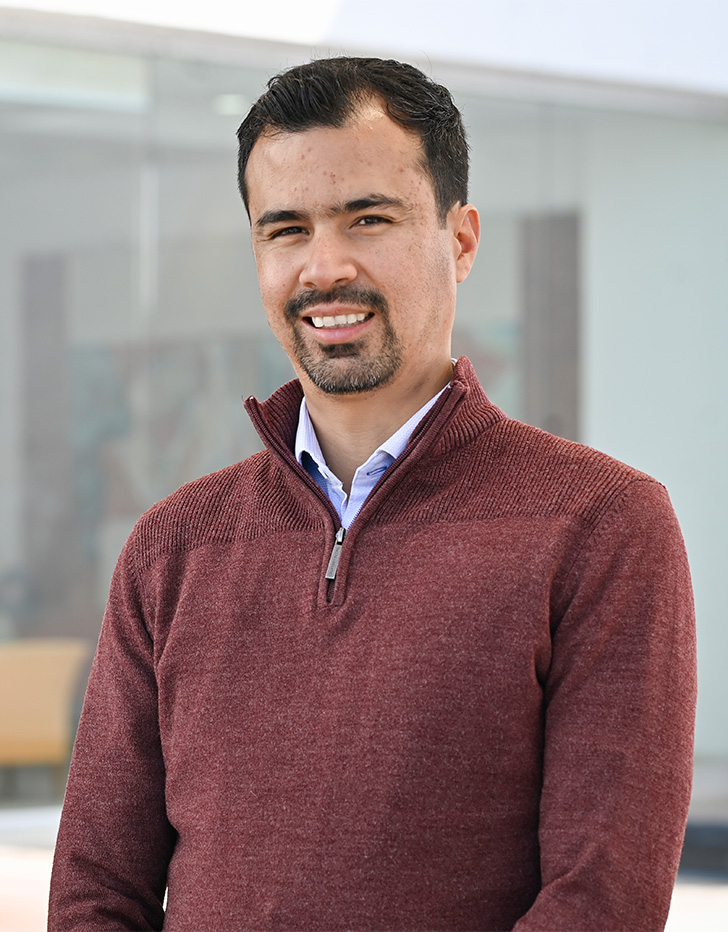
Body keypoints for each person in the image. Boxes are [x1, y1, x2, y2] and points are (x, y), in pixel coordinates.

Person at [49, 57, 696, 932]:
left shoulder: (600, 525)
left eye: (368, 218)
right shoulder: (173, 545)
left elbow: (602, 901)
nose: (325, 267)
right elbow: (95, 891)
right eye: (286, 230)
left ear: (460, 239)